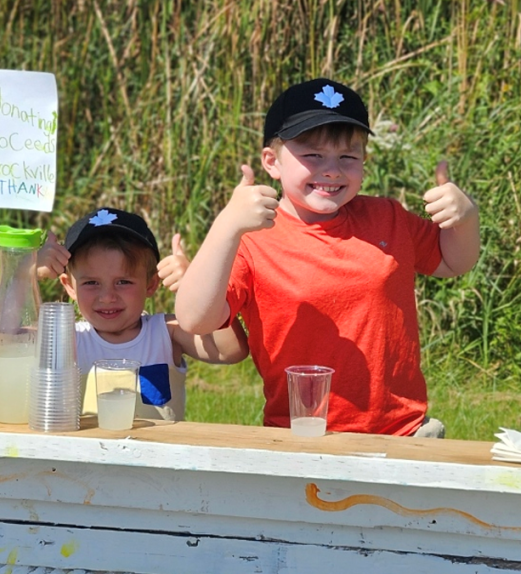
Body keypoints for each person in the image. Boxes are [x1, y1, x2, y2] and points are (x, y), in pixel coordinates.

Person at [174, 78, 480, 437]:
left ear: (364, 161)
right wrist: (226, 225)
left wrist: (465, 218)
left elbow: (453, 261)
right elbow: (195, 318)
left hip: (403, 432)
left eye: (347, 157)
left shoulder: (388, 217)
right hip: (300, 433)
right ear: (272, 162)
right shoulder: (252, 240)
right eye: (313, 155)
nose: (332, 169)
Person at [37, 207, 249, 421]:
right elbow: (9, 341)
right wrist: (27, 274)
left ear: (151, 284)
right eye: (91, 283)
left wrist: (197, 287)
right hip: (85, 454)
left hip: (159, 453)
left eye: (123, 282)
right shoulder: (67, 341)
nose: (107, 296)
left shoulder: (166, 334)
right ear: (69, 286)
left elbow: (230, 350)